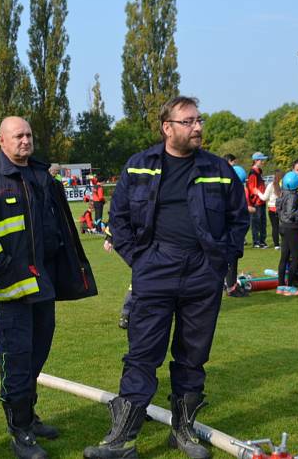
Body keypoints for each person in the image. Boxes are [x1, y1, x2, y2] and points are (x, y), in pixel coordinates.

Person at [84, 96, 249, 459]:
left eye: (199, 120)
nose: (198, 128)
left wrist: (219, 263)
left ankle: (183, 432)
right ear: (167, 128)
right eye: (188, 121)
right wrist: (140, 261)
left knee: (192, 356)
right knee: (142, 355)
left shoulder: (219, 169)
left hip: (202, 273)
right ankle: (122, 440)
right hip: (154, 270)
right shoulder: (140, 166)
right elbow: (120, 218)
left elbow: (239, 219)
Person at [0, 116, 97, 459]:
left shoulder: (41, 177)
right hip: (9, 291)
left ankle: (29, 417)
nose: (25, 140)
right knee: (17, 360)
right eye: (18, 135)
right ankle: (18, 430)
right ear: (1, 140)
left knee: (37, 354)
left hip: (42, 286)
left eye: (29, 134)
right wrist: (3, 270)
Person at [225, 165, 250, 297]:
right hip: (231, 231)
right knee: (231, 259)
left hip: (232, 230)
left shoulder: (230, 191)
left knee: (231, 258)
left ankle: (230, 285)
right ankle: (231, 287)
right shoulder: (232, 192)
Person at [277, 171, 298, 288]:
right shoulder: (293, 196)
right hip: (291, 228)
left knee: (284, 257)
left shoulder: (282, 194)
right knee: (296, 257)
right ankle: (290, 284)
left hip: (282, 226)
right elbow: (291, 214)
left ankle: (281, 284)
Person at [247, 152, 269, 248]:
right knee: (256, 222)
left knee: (263, 222)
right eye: (261, 160)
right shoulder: (253, 173)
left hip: (262, 201)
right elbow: (253, 188)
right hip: (256, 202)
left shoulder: (259, 171)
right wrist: (261, 195)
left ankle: (262, 241)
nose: (263, 162)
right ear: (256, 160)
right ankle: (256, 242)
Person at [259, 169, 282, 249]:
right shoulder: (283, 185)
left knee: (275, 227)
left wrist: (258, 192)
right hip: (282, 208)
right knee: (282, 226)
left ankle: (276, 245)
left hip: (272, 208)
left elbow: (264, 198)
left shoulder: (271, 185)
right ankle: (285, 242)